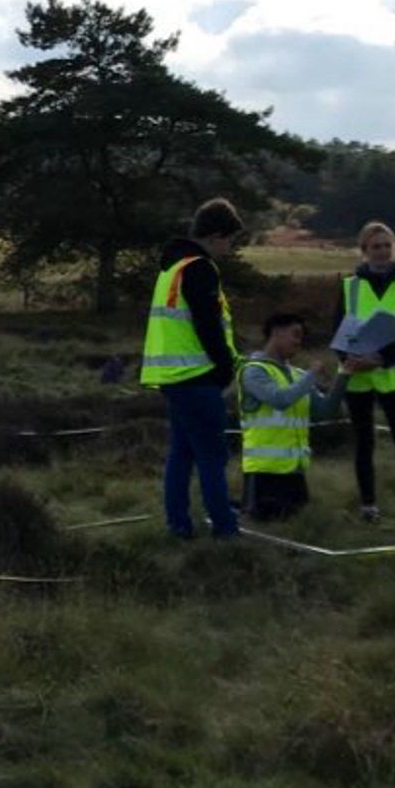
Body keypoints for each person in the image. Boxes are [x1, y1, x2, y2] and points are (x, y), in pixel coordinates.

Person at [140, 198, 244, 540]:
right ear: (215, 235)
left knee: (181, 454)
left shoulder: (172, 267)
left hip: (174, 379)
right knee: (213, 457)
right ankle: (225, 529)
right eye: (229, 240)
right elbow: (208, 325)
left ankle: (179, 525)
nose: (230, 248)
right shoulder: (200, 268)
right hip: (198, 376)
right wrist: (226, 367)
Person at [335, 222, 395, 524]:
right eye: (375, 246)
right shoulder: (350, 285)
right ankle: (368, 506)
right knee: (363, 443)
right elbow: (339, 328)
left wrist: (381, 358)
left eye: (386, 245)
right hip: (359, 375)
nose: (382, 251)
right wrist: (349, 358)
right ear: (364, 251)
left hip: (393, 374)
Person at [238, 312, 350, 521]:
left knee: (296, 530)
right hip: (264, 472)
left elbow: (324, 411)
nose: (299, 342)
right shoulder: (254, 371)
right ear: (276, 332)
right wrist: (311, 376)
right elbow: (280, 399)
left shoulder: (298, 376)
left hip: (295, 471)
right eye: (295, 334)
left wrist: (344, 374)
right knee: (266, 531)